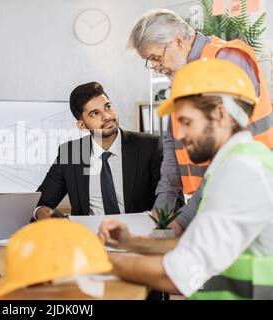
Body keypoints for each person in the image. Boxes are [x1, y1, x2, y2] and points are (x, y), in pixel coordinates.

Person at [99, 58, 273, 300]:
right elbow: (190, 245)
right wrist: (130, 242)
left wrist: (94, 259)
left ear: (221, 114)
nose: (178, 135)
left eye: (186, 122)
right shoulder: (231, 166)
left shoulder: (242, 172)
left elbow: (177, 274)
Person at [126, 8, 273, 241]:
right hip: (210, 203)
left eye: (156, 58)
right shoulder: (181, 77)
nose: (156, 67)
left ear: (176, 41)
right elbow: (172, 148)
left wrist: (184, 220)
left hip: (246, 194)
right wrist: (161, 212)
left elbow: (228, 155)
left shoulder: (227, 60)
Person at [35, 82, 162, 219]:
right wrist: (44, 213)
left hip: (137, 235)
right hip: (88, 237)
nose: (107, 116)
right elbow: (40, 204)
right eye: (95, 113)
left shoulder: (150, 146)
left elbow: (173, 201)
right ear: (82, 125)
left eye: (107, 106)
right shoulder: (71, 153)